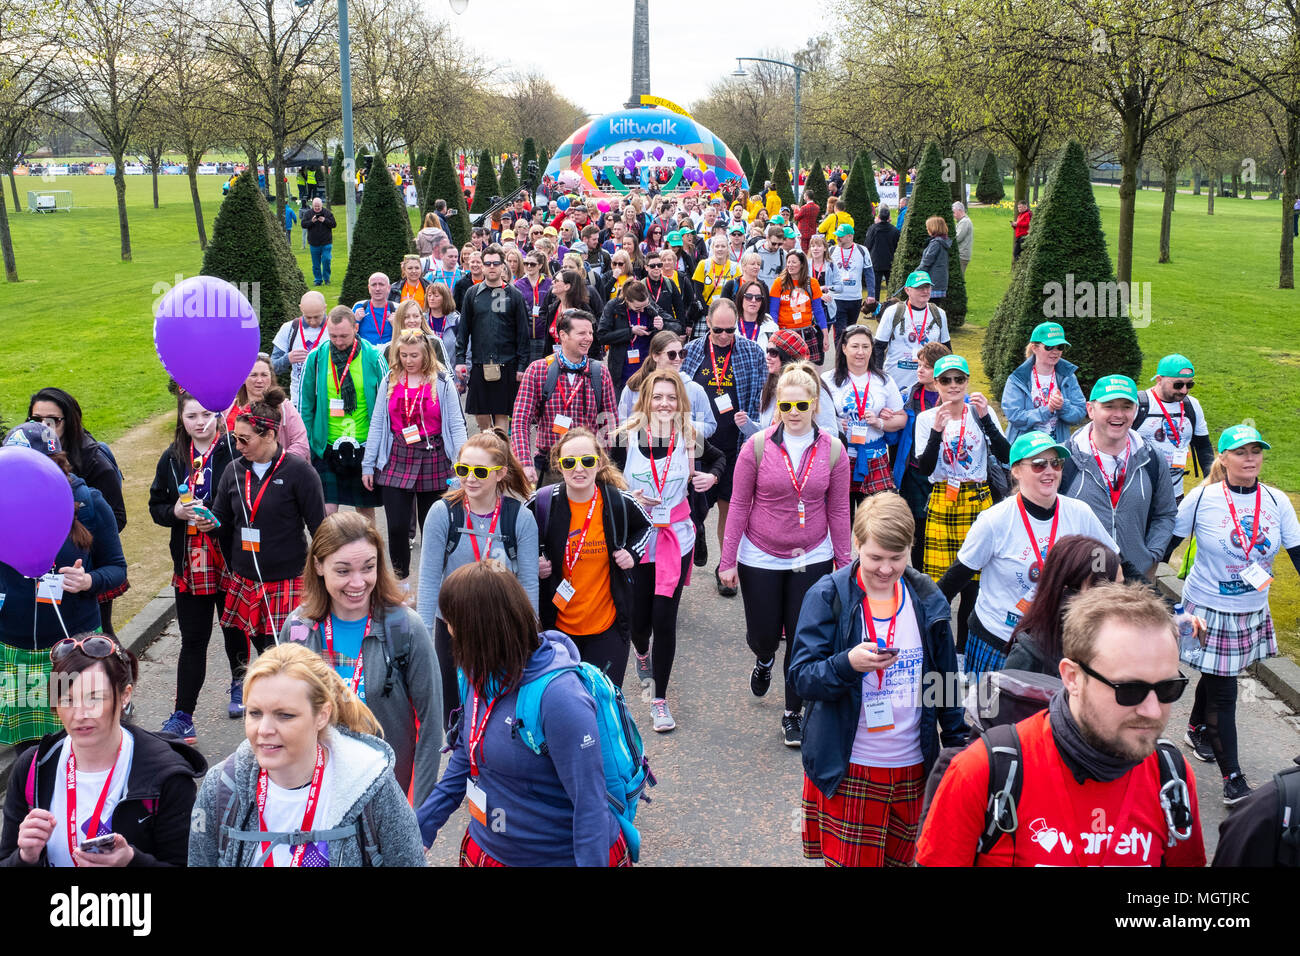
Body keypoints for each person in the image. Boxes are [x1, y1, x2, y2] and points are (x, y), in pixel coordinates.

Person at [916, 582, 1206, 867]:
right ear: (1072, 678)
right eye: (1129, 690)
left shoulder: (1173, 778)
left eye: (1169, 689)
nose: (1153, 711)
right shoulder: (980, 773)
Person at [416, 560, 631, 866]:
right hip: (489, 849)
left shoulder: (560, 698)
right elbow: (466, 755)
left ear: (477, 632)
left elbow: (590, 805)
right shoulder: (479, 674)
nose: (448, 631)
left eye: (452, 623)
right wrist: (419, 829)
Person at [790, 493, 967, 867]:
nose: (886, 569)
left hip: (914, 767)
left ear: (910, 549)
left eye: (896, 557)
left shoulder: (928, 599)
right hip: (850, 766)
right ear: (857, 544)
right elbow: (801, 678)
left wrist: (956, 750)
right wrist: (846, 665)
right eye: (875, 558)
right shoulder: (827, 596)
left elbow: (946, 679)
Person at [188, 643, 426, 866]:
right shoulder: (221, 787)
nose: (264, 730)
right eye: (255, 713)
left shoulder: (371, 785)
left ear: (322, 715)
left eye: (285, 715)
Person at [720, 363, 852, 747]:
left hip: (811, 555)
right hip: (760, 553)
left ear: (814, 405)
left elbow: (840, 510)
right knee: (764, 634)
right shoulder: (756, 447)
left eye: (801, 405)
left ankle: (792, 712)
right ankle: (763, 660)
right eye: (786, 404)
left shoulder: (833, 450)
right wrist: (727, 561)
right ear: (778, 405)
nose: (794, 412)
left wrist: (844, 564)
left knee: (802, 638)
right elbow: (739, 505)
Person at [1169, 424, 1300, 805]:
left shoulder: (1276, 501)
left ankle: (1196, 726)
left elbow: (1296, 551)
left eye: (1256, 451)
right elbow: (1171, 540)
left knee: (1221, 672)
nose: (1250, 458)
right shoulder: (1202, 498)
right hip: (1208, 608)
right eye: (1241, 452)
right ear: (1223, 459)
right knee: (1225, 690)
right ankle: (1234, 780)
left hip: (1251, 608)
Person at [280, 513, 443, 806]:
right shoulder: (298, 630)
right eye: (343, 571)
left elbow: (431, 727)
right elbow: (282, 715)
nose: (358, 582)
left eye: (368, 567)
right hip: (317, 797)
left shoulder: (406, 628)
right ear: (318, 566)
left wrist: (418, 813)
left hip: (386, 796)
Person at [0, 634, 205, 867]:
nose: (79, 714)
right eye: (67, 700)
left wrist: (131, 861)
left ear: (125, 696)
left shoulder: (167, 776)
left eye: (94, 699)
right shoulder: (34, 767)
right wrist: (25, 857)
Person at [936, 431, 1118, 679]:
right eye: (1038, 464)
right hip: (997, 639)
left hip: (1057, 643)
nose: (1049, 471)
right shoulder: (994, 521)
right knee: (987, 714)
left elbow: (1110, 563)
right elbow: (956, 578)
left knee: (1047, 717)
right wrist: (926, 623)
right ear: (1016, 471)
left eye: (1055, 463)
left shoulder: (1079, 513)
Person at [0, 423, 126, 750]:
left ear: (58, 464)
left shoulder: (90, 503)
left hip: (71, 651)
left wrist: (88, 581)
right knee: (28, 752)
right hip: (14, 650)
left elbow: (117, 569)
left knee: (80, 742)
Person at [613, 371, 725, 731]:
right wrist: (628, 496)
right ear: (645, 400)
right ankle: (641, 652)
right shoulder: (624, 436)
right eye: (658, 397)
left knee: (665, 619)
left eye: (672, 398)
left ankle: (659, 699)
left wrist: (712, 477)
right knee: (639, 623)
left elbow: (721, 458)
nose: (665, 404)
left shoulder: (689, 436)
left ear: (681, 402)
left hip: (676, 538)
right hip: (637, 540)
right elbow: (604, 479)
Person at [417, 429, 538, 729]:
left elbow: (529, 582)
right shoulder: (443, 513)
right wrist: (419, 640)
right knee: (455, 718)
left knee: (498, 714)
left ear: (501, 474)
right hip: (452, 628)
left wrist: (532, 634)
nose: (470, 478)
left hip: (501, 628)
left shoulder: (520, 517)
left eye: (480, 471)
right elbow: (429, 579)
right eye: (463, 469)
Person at [148, 392, 250, 739]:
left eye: (206, 414)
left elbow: (249, 505)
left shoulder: (236, 452)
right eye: (192, 416)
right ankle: (183, 716)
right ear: (182, 420)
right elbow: (156, 505)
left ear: (218, 416)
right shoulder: (173, 458)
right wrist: (175, 512)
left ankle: (241, 681)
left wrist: (219, 521)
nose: (200, 422)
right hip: (191, 559)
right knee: (193, 639)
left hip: (229, 555)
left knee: (234, 627)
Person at [530, 428, 652, 687]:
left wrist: (632, 553)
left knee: (603, 702)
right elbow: (515, 535)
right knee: (566, 706)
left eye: (587, 461)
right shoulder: (542, 502)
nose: (579, 469)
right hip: (557, 631)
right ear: (558, 466)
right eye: (569, 462)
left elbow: (646, 525)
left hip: (607, 629)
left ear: (599, 463)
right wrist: (533, 562)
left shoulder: (617, 501)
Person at [212, 389, 326, 660]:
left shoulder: (300, 472)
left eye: (244, 439)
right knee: (262, 649)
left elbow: (320, 529)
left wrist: (322, 576)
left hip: (287, 580)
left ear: (270, 435)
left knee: (287, 654)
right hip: (245, 579)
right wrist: (207, 522)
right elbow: (222, 522)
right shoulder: (233, 470)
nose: (237, 446)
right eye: (235, 438)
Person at [362, 330, 467, 580]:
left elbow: (456, 423)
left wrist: (463, 465)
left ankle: (435, 581)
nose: (409, 360)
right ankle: (401, 582)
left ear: (426, 355)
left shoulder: (441, 381)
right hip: (398, 455)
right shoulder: (391, 379)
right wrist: (368, 465)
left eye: (414, 355)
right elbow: (377, 422)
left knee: (434, 527)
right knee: (397, 527)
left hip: (434, 456)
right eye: (404, 355)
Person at [26, 387, 128, 635]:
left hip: (84, 566)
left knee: (100, 635)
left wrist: (76, 532)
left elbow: (116, 518)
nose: (43, 427)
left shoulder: (93, 461)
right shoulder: (24, 458)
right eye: (35, 420)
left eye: (51, 421)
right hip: (38, 580)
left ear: (68, 422)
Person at [680, 299, 766, 589]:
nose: (725, 336)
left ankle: (725, 567)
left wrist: (754, 430)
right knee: (694, 510)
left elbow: (760, 397)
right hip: (697, 447)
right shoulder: (691, 352)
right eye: (718, 330)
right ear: (707, 322)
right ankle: (697, 535)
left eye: (731, 330)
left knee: (730, 511)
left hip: (735, 446)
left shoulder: (752, 352)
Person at [1060, 375, 1176, 581]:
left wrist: (1151, 555)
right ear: (1090, 409)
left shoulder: (1151, 458)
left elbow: (1165, 513)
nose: (1118, 415)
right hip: (1079, 579)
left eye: (1126, 406)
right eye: (1109, 406)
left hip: (1136, 578)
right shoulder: (1064, 459)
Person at [299, 306, 387, 520]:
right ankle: (329, 553)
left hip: (365, 446)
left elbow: (387, 402)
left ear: (356, 328)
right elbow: (305, 405)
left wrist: (383, 446)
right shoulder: (316, 358)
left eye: (344, 336)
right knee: (326, 512)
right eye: (333, 336)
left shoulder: (373, 357)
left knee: (365, 513)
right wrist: (309, 444)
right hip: (327, 446)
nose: (338, 341)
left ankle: (369, 553)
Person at [511, 309, 618, 485]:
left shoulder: (600, 373)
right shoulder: (538, 370)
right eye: (581, 333)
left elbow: (609, 423)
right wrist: (525, 463)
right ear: (563, 335)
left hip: (587, 467)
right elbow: (520, 421)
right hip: (550, 467)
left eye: (590, 333)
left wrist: (603, 464)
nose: (589, 338)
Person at [1003, 535, 1123, 675]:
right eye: (1111, 588)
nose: (1122, 597)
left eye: (1122, 585)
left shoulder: (1115, 640)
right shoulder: (1028, 655)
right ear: (1069, 593)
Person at [821, 326, 906, 506]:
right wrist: (835, 423)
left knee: (875, 520)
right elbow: (815, 417)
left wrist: (880, 422)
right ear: (844, 348)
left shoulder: (884, 380)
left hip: (875, 458)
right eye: (855, 346)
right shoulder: (827, 379)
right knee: (841, 518)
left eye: (866, 347)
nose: (861, 352)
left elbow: (901, 418)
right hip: (839, 456)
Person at [1133, 354, 1214, 504]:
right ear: (1159, 379)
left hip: (1174, 494)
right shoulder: (1138, 404)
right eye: (1178, 385)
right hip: (1139, 494)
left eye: (1189, 385)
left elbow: (1203, 447)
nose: (1184, 391)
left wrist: (1212, 484)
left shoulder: (1192, 405)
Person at [999, 321, 1088, 445]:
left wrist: (1063, 406)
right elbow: (1014, 416)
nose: (1055, 351)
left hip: (1058, 447)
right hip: (1026, 449)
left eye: (1060, 347)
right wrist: (1047, 410)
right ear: (1035, 348)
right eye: (1049, 347)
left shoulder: (1068, 376)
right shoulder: (1017, 379)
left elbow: (1080, 413)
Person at [617, 331, 717, 439]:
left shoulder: (695, 389)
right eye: (672, 354)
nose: (678, 359)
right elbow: (621, 424)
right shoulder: (634, 386)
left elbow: (710, 426)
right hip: (644, 452)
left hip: (682, 453)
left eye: (682, 353)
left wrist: (683, 425)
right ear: (655, 356)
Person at [873, 271, 951, 395]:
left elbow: (946, 349)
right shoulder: (893, 312)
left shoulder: (939, 313)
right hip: (896, 381)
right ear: (907, 290)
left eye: (927, 287)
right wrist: (878, 377)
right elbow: (878, 347)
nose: (925, 291)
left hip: (928, 385)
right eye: (919, 287)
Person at [225, 353, 310, 459]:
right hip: (238, 472)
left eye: (264, 375)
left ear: (271, 377)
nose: (259, 380)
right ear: (243, 378)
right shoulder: (230, 408)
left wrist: (279, 465)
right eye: (254, 375)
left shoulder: (285, 407)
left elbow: (301, 443)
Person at [597, 279, 677, 388]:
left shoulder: (649, 306)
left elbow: (675, 326)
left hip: (647, 366)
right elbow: (602, 336)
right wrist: (630, 332)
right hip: (622, 368)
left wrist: (661, 327)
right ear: (627, 300)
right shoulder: (613, 306)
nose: (643, 310)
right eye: (638, 308)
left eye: (645, 306)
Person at [769, 250, 830, 364]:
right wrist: (774, 335)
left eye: (794, 262)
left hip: (806, 332)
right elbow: (773, 311)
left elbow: (818, 310)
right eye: (788, 262)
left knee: (807, 369)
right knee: (785, 368)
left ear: (802, 264)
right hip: (785, 333)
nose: (790, 265)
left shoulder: (812, 283)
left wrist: (825, 335)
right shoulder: (779, 283)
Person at [271, 290, 329, 407]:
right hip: (299, 400)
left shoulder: (334, 328)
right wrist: (287, 359)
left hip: (328, 398)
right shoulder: (289, 329)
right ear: (301, 308)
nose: (312, 322)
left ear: (325, 308)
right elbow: (272, 367)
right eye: (308, 317)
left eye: (317, 317)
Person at [824, 224, 877, 344]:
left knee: (851, 331)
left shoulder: (862, 250)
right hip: (837, 298)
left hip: (855, 298)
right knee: (840, 332)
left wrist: (871, 294)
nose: (837, 238)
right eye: (837, 235)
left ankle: (847, 359)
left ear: (850, 236)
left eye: (841, 236)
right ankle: (840, 361)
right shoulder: (832, 250)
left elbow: (869, 273)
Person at [515, 251, 553, 365]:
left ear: (540, 265)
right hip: (525, 336)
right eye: (526, 263)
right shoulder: (518, 285)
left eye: (532, 264)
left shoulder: (549, 284)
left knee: (544, 370)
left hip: (544, 336)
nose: (528, 266)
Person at [352, 272, 398, 350]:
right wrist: (356, 321)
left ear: (389, 288)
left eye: (381, 284)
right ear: (369, 288)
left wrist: (396, 325)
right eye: (374, 285)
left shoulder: (397, 308)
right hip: (366, 352)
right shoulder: (359, 306)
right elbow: (347, 334)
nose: (377, 289)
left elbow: (406, 336)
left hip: (390, 353)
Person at [863, 207, 900, 304]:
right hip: (889, 261)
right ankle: (891, 305)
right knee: (890, 287)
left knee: (875, 287)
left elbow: (867, 244)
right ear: (889, 218)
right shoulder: (894, 230)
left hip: (876, 261)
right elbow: (897, 246)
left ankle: (875, 309)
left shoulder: (873, 228)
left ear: (879, 216)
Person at [733, 279, 779, 350]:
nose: (753, 300)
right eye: (748, 296)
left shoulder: (771, 327)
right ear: (741, 298)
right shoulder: (731, 325)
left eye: (758, 298)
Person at [916, 217, 952, 300]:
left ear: (933, 228)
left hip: (934, 281)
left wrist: (914, 274)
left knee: (931, 309)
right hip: (939, 280)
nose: (926, 229)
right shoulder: (941, 241)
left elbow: (926, 262)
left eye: (928, 227)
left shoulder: (935, 243)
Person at [303, 197, 337, 285]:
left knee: (326, 260)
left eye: (318, 206)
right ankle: (318, 280)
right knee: (316, 264)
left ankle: (326, 278)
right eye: (315, 207)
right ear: (312, 206)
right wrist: (312, 221)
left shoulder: (327, 213)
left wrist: (324, 220)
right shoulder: (308, 214)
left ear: (322, 205)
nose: (317, 208)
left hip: (326, 242)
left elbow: (334, 224)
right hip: (314, 243)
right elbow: (303, 224)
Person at [952, 202, 973, 273]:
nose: (953, 215)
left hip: (962, 255)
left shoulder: (964, 222)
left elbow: (957, 238)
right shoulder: (962, 221)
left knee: (959, 277)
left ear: (960, 211)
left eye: (954, 212)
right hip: (961, 254)